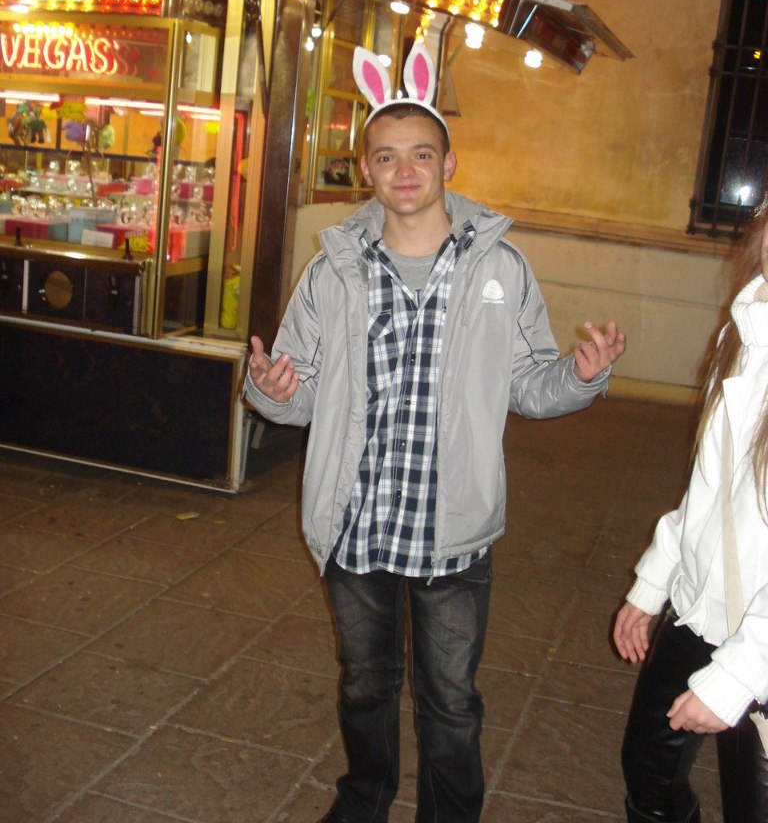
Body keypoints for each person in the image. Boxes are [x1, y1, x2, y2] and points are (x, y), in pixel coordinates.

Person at [244, 43, 626, 823]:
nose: (405, 170)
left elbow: (530, 383)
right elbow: (297, 389)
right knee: (364, 683)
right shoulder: (332, 271)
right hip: (356, 524)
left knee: (451, 699)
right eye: (387, 156)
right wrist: (269, 390)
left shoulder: (500, 269)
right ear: (367, 170)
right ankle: (365, 798)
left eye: (422, 153)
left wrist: (580, 376)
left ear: (449, 164)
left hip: (452, 531)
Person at [613, 198, 768, 823]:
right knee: (647, 771)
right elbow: (708, 490)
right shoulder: (745, 333)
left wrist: (736, 677)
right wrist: (653, 585)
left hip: (759, 642)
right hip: (704, 610)